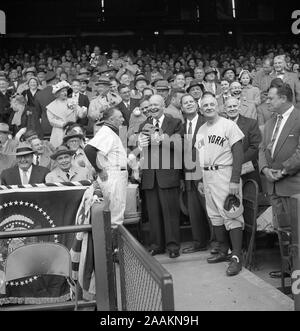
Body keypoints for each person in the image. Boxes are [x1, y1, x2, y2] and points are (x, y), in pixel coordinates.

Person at [195, 94, 245, 276]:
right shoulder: (201, 129)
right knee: (215, 214)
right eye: (205, 105)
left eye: (212, 104)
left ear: (218, 106)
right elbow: (200, 155)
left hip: (225, 172)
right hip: (208, 175)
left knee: (232, 215)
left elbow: (238, 154)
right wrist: (201, 179)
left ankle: (237, 257)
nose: (208, 107)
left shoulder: (229, 125)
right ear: (201, 109)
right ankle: (224, 251)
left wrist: (234, 179)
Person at [138, 94, 183, 258]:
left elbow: (179, 145)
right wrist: (140, 145)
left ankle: (172, 247)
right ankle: (156, 245)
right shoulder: (145, 124)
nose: (153, 108)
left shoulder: (175, 122)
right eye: (150, 105)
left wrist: (161, 139)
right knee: (154, 213)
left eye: (156, 104)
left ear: (164, 105)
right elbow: (144, 151)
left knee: (170, 213)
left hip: (168, 174)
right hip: (150, 176)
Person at [259, 83, 300, 230]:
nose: (267, 101)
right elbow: (262, 148)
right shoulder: (270, 121)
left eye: (271, 98)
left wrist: (282, 172)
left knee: (296, 234)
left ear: (283, 98)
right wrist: (265, 170)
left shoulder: (298, 118)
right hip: (273, 187)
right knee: (282, 234)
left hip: (293, 187)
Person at [84, 107, 128, 228]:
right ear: (111, 119)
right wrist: (99, 169)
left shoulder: (111, 132)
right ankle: (113, 247)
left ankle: (112, 246)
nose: (123, 120)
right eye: (120, 117)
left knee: (116, 215)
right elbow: (89, 149)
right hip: (112, 174)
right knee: (115, 218)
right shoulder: (106, 131)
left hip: (116, 173)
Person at [180, 94, 210, 253]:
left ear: (197, 105)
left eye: (191, 101)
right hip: (188, 176)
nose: (189, 104)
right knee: (194, 212)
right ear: (182, 108)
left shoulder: (206, 122)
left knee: (210, 211)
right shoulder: (181, 126)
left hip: (205, 174)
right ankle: (199, 243)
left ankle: (218, 244)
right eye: (186, 103)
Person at [225, 96, 262, 189]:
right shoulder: (221, 125)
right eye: (229, 107)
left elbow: (255, 147)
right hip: (226, 171)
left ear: (239, 107)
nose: (232, 109)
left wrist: (237, 162)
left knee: (248, 199)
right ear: (225, 109)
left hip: (247, 170)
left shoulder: (251, 123)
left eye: (234, 106)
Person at [46, 80, 86, 148]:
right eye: (62, 91)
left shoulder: (72, 101)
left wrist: (84, 111)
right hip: (58, 132)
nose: (65, 93)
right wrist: (63, 124)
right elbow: (51, 121)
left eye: (65, 91)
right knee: (61, 149)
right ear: (57, 93)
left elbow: (80, 114)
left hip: (73, 130)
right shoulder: (51, 106)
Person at [34, 71, 58, 139]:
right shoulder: (60, 93)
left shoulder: (39, 94)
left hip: (45, 126)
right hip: (59, 126)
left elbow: (37, 113)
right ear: (55, 81)